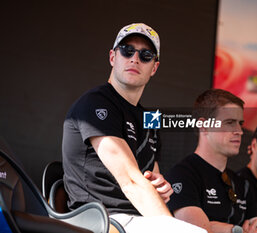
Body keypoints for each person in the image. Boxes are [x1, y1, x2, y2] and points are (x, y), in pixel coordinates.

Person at [62, 23, 206, 233]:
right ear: (113, 57)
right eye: (127, 50)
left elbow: (150, 177)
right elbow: (130, 181)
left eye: (146, 55)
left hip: (136, 219)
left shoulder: (151, 118)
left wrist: (159, 187)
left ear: (154, 68)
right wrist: (171, 226)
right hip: (102, 218)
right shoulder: (95, 102)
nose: (135, 59)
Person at [166, 89, 257, 233]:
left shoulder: (242, 184)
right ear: (204, 125)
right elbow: (196, 230)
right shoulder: (182, 175)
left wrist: (220, 228)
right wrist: (236, 230)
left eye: (240, 123)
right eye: (229, 122)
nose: (239, 131)